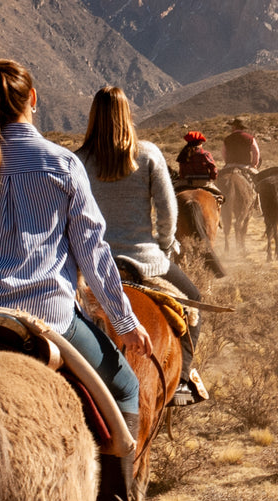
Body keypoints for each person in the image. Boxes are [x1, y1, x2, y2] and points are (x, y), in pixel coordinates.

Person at [0, 59, 152, 501]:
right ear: (32, 101)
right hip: (48, 316)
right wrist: (123, 320)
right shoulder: (62, 165)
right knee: (123, 386)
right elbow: (94, 254)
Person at [77, 86, 207, 406]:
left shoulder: (78, 160)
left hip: (93, 262)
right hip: (144, 260)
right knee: (194, 301)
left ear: (93, 118)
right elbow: (167, 211)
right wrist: (164, 245)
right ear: (128, 116)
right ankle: (183, 378)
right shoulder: (147, 154)